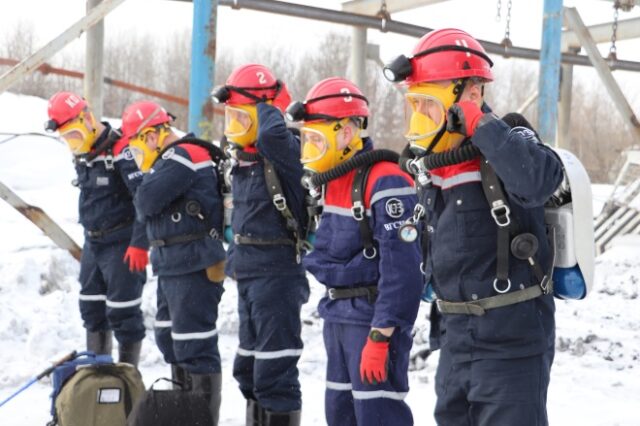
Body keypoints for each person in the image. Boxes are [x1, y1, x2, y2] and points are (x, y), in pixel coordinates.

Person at [384, 28, 564, 425]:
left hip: (511, 346)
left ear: (470, 94)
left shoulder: (509, 138)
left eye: (427, 104)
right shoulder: (433, 163)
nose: (419, 117)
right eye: (414, 104)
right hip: (454, 340)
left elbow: (540, 180)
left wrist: (480, 125)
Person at [285, 77, 422, 426]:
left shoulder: (385, 180)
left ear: (346, 133)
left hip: (371, 321)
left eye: (317, 139)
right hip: (339, 317)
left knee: (378, 417)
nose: (309, 149)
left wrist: (381, 336)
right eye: (307, 139)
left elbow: (402, 272)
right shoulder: (332, 182)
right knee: (340, 416)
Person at [211, 63, 309, 426]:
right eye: (230, 116)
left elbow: (270, 135)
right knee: (248, 370)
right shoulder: (243, 159)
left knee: (275, 374)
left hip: (278, 275)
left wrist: (270, 103)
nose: (234, 126)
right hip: (250, 273)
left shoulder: (283, 150)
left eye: (242, 116)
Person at [122, 101, 226, 424]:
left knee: (195, 347)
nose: (138, 158)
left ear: (152, 136)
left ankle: (201, 419)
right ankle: (183, 416)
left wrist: (143, 181)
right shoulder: (168, 162)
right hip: (173, 264)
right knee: (171, 340)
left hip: (193, 264)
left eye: (138, 147)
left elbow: (146, 200)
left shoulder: (184, 155)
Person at [45, 91, 147, 366]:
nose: (73, 143)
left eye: (75, 135)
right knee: (91, 309)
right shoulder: (83, 155)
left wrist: (140, 242)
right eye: (67, 139)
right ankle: (99, 380)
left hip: (122, 243)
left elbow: (144, 200)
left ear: (87, 118)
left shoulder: (122, 151)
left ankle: (127, 380)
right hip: (94, 243)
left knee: (123, 313)